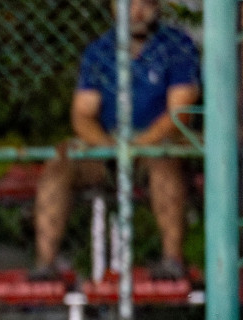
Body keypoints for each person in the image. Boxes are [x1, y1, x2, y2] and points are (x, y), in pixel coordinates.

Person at [30, 0, 199, 281]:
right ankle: (45, 263)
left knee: (163, 165)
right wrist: (107, 146)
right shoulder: (99, 51)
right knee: (60, 163)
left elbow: (180, 113)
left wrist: (140, 145)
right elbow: (83, 114)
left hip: (156, 145)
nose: (138, 10)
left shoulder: (177, 45)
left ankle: (172, 259)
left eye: (146, 3)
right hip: (107, 146)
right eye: (129, 4)